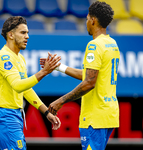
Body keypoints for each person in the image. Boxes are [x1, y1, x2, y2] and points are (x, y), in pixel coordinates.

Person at [40, 1, 120, 150]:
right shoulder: (112, 43)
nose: (86, 22)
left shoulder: (94, 45)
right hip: (109, 114)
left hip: (94, 117)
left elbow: (89, 82)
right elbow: (90, 75)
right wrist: (59, 67)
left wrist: (61, 100)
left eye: (87, 18)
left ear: (93, 20)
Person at [0, 16, 61, 150]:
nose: (27, 36)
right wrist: (43, 72)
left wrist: (46, 113)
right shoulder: (3, 57)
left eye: (27, 33)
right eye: (23, 33)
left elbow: (26, 89)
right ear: (10, 35)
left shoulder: (20, 58)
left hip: (13, 115)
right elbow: (18, 85)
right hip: (4, 116)